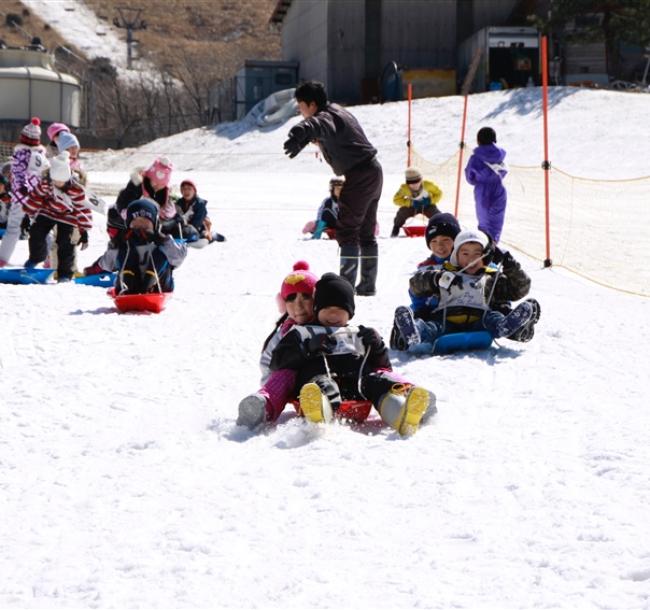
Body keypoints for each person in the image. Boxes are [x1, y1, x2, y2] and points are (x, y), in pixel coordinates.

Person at [270, 272, 437, 436]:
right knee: (321, 385)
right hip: (320, 381)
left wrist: (376, 346)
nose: (333, 315)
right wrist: (306, 348)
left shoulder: (358, 333)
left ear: (350, 312)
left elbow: (383, 367)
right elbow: (277, 362)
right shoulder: (302, 332)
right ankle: (318, 414)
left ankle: (402, 415)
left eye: (340, 309)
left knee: (377, 383)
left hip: (358, 385)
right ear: (316, 309)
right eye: (327, 308)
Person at [283, 81, 383, 296]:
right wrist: (304, 140)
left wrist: (299, 131)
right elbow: (323, 132)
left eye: (300, 107)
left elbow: (316, 125)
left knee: (347, 230)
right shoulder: (337, 112)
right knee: (366, 231)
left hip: (359, 175)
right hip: (373, 171)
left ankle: (344, 288)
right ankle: (367, 285)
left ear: (311, 104)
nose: (300, 112)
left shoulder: (326, 116)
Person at [393, 229, 540, 354]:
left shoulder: (490, 278)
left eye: (477, 254)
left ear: (486, 256)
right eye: (465, 254)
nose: (471, 260)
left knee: (494, 317)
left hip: (480, 321)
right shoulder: (444, 273)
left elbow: (519, 289)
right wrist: (435, 279)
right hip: (445, 320)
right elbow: (415, 286)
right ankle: (414, 332)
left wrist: (510, 264)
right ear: (455, 255)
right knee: (430, 327)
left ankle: (505, 326)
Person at [237, 261, 319, 429]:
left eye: (306, 297)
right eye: (291, 298)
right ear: (283, 304)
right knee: (283, 374)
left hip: (322, 380)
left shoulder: (325, 325)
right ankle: (263, 405)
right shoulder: (284, 332)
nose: (298, 305)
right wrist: (273, 384)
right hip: (290, 385)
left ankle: (320, 405)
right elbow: (267, 363)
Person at [389, 212, 461, 350]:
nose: (440, 246)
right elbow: (416, 291)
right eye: (434, 241)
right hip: (434, 312)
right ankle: (413, 332)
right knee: (432, 327)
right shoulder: (426, 267)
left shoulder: (466, 261)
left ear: (456, 241)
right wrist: (421, 307)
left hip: (465, 310)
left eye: (446, 240)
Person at [22, 152, 91, 283]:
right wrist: (27, 215)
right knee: (36, 231)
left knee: (65, 242)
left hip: (68, 215)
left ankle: (65, 274)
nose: (57, 183)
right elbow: (35, 198)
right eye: (55, 180)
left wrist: (84, 230)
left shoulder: (76, 189)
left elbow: (82, 209)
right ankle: (36, 257)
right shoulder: (46, 183)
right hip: (48, 211)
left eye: (61, 181)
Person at [94, 198, 187, 294]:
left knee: (160, 253)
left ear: (155, 226)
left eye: (146, 227)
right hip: (126, 288)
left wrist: (164, 241)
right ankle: (129, 285)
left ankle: (148, 283)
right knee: (124, 251)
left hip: (158, 288)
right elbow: (106, 264)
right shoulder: (125, 243)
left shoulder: (161, 242)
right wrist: (116, 245)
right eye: (136, 227)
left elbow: (178, 258)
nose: (141, 231)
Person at [0, 117, 50, 267]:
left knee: (14, 227)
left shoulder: (21, 153)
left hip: (21, 197)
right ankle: (50, 258)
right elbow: (43, 175)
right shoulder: (41, 155)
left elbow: (19, 173)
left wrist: (20, 187)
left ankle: (3, 258)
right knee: (42, 227)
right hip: (37, 196)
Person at [465, 126, 507, 243]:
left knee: (484, 221)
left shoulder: (475, 158)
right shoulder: (500, 156)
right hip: (499, 188)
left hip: (482, 190)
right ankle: (494, 244)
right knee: (496, 221)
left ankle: (485, 247)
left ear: (478, 141)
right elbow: (503, 171)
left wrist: (479, 179)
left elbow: (470, 178)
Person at [391, 167, 442, 237]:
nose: (415, 185)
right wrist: (410, 203)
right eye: (411, 183)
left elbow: (439, 194)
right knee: (401, 213)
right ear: (407, 183)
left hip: (427, 205)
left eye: (417, 182)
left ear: (421, 180)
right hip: (412, 206)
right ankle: (395, 229)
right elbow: (396, 200)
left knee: (437, 215)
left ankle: (442, 230)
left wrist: (430, 200)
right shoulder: (404, 189)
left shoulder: (428, 185)